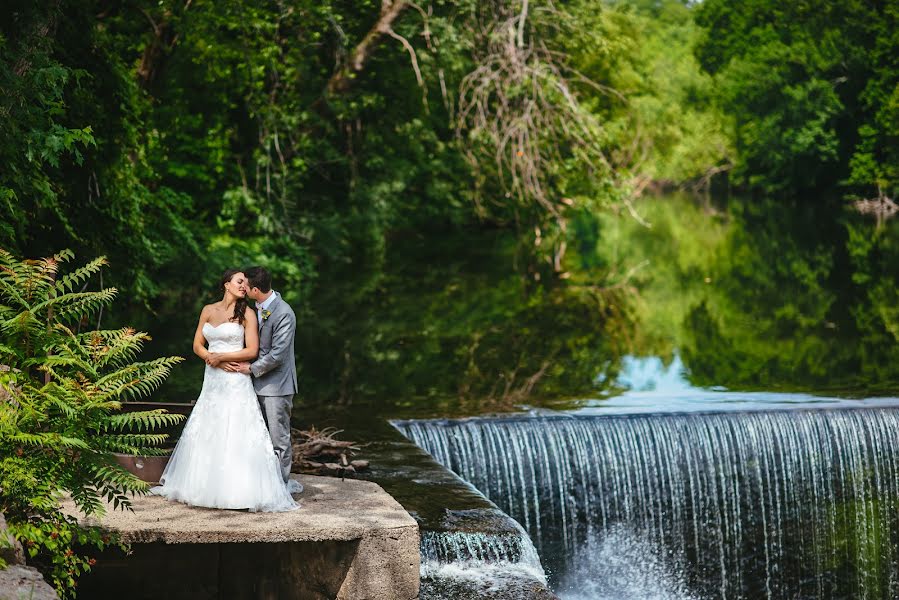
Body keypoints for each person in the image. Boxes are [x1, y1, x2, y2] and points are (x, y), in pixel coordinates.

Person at [150, 269, 298, 512]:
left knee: (242, 429)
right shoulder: (208, 310)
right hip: (213, 378)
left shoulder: (249, 313)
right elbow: (197, 344)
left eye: (246, 284)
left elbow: (252, 351)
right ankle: (203, 486)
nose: (244, 286)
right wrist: (210, 357)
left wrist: (222, 357)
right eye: (240, 282)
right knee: (208, 427)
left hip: (237, 377)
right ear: (226, 284)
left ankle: (251, 488)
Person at [224, 266, 301, 493]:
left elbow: (277, 355)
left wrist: (251, 368)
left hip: (276, 386)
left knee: (279, 440)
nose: (243, 289)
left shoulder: (284, 313)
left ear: (256, 289)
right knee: (255, 437)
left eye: (246, 286)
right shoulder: (253, 308)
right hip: (251, 385)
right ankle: (258, 484)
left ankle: (280, 487)